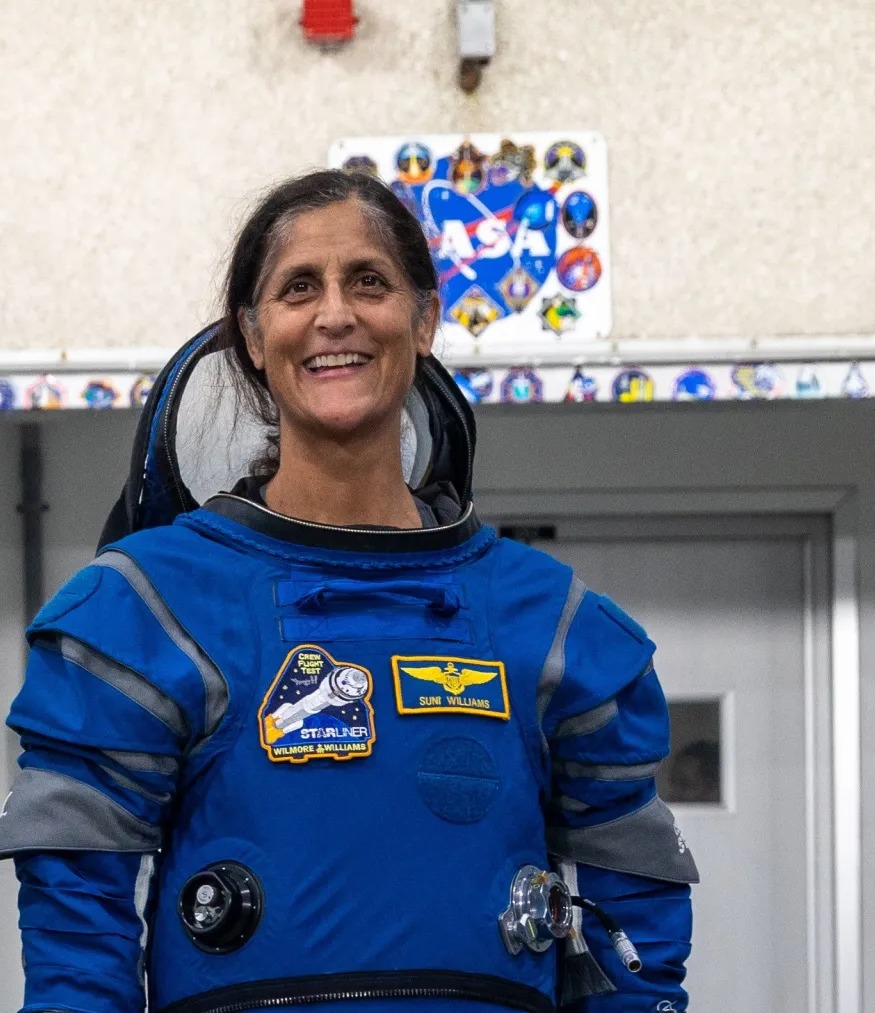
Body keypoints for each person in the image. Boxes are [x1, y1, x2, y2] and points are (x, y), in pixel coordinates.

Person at [0, 170, 697, 1012]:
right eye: (299, 288)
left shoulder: (552, 625)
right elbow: (79, 936)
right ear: (254, 337)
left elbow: (634, 935)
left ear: (425, 318)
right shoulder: (148, 610)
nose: (335, 313)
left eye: (368, 280)